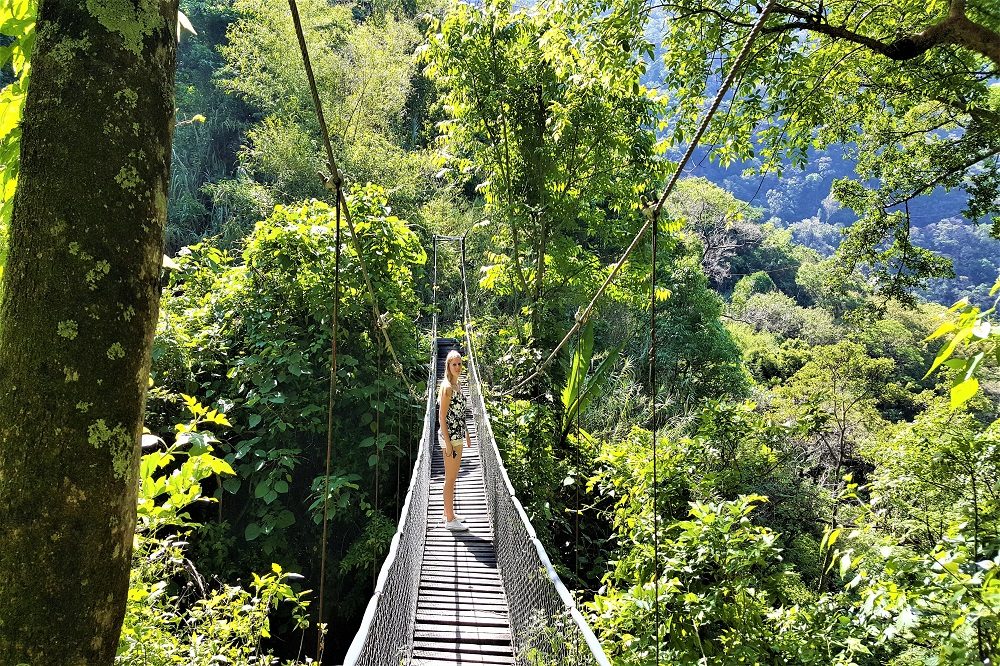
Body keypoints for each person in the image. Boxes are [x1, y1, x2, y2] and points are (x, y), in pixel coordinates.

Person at [438, 349, 472, 532]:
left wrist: (466, 433)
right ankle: (450, 520)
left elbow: (459, 413)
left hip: (458, 436)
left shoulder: (458, 385)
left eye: (459, 364)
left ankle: (449, 513)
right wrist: (449, 442)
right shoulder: (447, 387)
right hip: (450, 438)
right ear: (448, 366)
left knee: (452, 477)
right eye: (454, 364)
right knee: (450, 478)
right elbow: (441, 417)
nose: (457, 367)